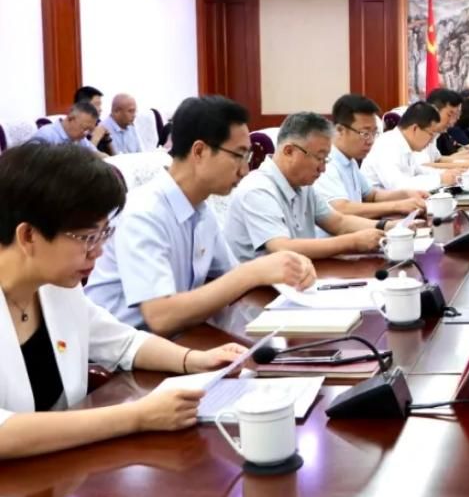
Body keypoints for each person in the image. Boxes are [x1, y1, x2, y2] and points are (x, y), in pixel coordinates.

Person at [0, 143, 247, 460]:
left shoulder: (55, 287)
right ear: (28, 236)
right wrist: (138, 416)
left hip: (56, 469)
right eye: (87, 238)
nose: (98, 251)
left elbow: (123, 342)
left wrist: (195, 360)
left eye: (104, 234)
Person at [85, 96, 316, 333]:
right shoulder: (143, 213)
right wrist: (253, 272)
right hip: (122, 349)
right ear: (200, 151)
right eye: (239, 155)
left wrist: (282, 270)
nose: (245, 170)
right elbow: (161, 316)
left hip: (177, 339)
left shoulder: (202, 211)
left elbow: (229, 279)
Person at [223, 112, 387, 262]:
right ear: (289, 151)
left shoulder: (303, 185)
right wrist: (354, 242)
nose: (323, 168)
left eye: (326, 159)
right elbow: (283, 248)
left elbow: (339, 223)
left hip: (296, 273)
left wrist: (388, 227)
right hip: (260, 283)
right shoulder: (258, 190)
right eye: (319, 158)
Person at [315, 94, 429, 222]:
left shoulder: (350, 160)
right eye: (365, 133)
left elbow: (372, 195)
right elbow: (341, 209)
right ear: (340, 130)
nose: (370, 141)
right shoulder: (326, 162)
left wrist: (405, 194)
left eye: (374, 133)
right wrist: (397, 206)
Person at [362, 102, 459, 190]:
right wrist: (439, 179)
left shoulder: (405, 144)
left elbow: (420, 171)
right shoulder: (386, 145)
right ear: (415, 129)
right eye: (431, 134)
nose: (431, 141)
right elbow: (398, 186)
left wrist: (447, 174)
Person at [424, 88, 469, 164]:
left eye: (456, 115)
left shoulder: (436, 134)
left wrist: (463, 158)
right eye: (449, 115)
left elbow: (438, 159)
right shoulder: (421, 132)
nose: (452, 121)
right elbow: (423, 165)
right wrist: (462, 164)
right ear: (434, 110)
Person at [31, 103, 105, 157]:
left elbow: (95, 153)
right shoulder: (46, 136)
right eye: (85, 128)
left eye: (90, 130)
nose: (86, 133)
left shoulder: (79, 138)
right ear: (70, 118)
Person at [73, 86, 111, 154]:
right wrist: (95, 138)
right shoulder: (75, 130)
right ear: (83, 106)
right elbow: (83, 158)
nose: (100, 109)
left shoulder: (98, 123)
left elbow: (113, 155)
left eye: (100, 105)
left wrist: (107, 139)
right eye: (97, 104)